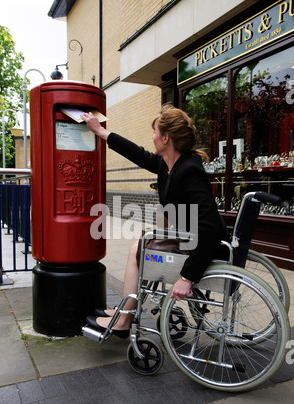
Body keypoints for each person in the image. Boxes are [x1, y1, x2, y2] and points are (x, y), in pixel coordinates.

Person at [81, 105, 230, 338]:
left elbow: (209, 229)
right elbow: (137, 153)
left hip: (201, 248)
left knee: (137, 249)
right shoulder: (168, 164)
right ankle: (125, 312)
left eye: (154, 133)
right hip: (189, 239)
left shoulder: (190, 171)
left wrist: (187, 278)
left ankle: (124, 320)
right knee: (140, 244)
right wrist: (101, 132)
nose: (152, 138)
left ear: (166, 138)